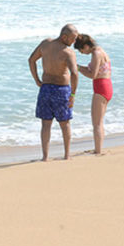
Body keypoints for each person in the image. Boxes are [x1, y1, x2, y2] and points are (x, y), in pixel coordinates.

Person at [28, 24, 79, 160]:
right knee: (65, 123)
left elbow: (31, 60)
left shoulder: (46, 44)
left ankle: (45, 157)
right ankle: (67, 155)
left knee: (46, 123)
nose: (74, 42)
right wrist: (73, 94)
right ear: (64, 37)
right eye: (73, 39)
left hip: (45, 89)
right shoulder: (67, 52)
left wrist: (37, 80)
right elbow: (74, 74)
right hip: (61, 90)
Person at [74, 34, 112, 155]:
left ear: (86, 46)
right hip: (105, 86)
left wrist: (78, 68)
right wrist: (79, 67)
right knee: (99, 121)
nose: (80, 52)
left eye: (80, 49)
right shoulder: (100, 51)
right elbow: (94, 71)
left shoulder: (96, 53)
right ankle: (98, 148)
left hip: (101, 87)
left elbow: (93, 75)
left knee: (96, 123)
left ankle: (98, 151)